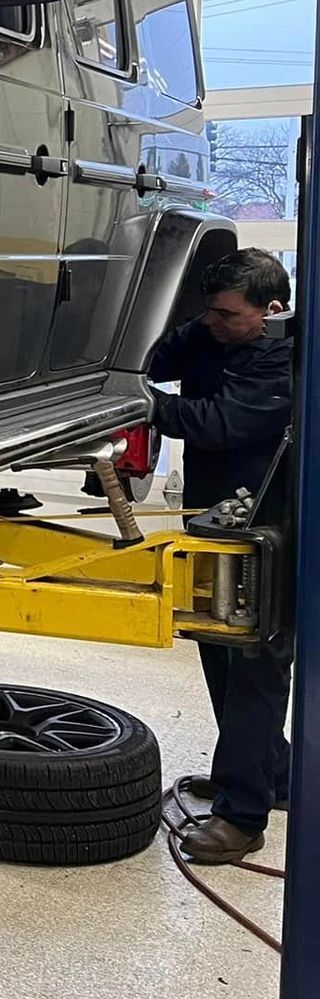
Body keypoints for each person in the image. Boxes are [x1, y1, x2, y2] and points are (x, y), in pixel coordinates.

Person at [147, 248, 294, 864]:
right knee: (217, 649)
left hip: (270, 531)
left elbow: (220, 421)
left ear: (273, 311)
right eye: (209, 311)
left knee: (255, 664)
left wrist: (146, 406)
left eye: (228, 315)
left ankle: (242, 816)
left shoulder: (288, 360)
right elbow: (160, 354)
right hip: (215, 521)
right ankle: (268, 777)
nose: (214, 323)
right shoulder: (214, 331)